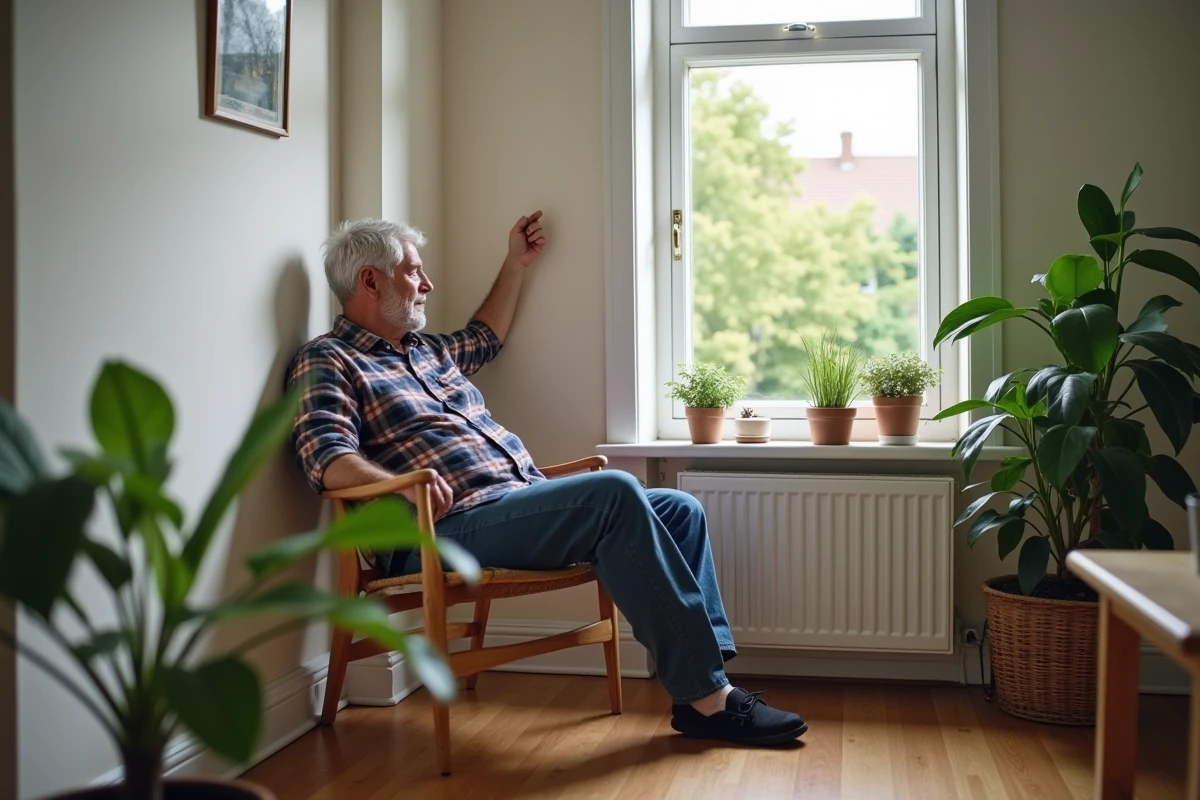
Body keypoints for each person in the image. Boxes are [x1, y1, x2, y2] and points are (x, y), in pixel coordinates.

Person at [286, 215, 807, 746]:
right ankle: (710, 699)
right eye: (414, 272)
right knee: (616, 492)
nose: (427, 284)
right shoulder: (328, 359)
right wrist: (400, 484)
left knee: (678, 508)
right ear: (370, 281)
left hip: (514, 505)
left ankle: (702, 689)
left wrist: (515, 263)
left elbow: (486, 336)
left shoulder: (429, 351)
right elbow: (324, 455)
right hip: (440, 530)